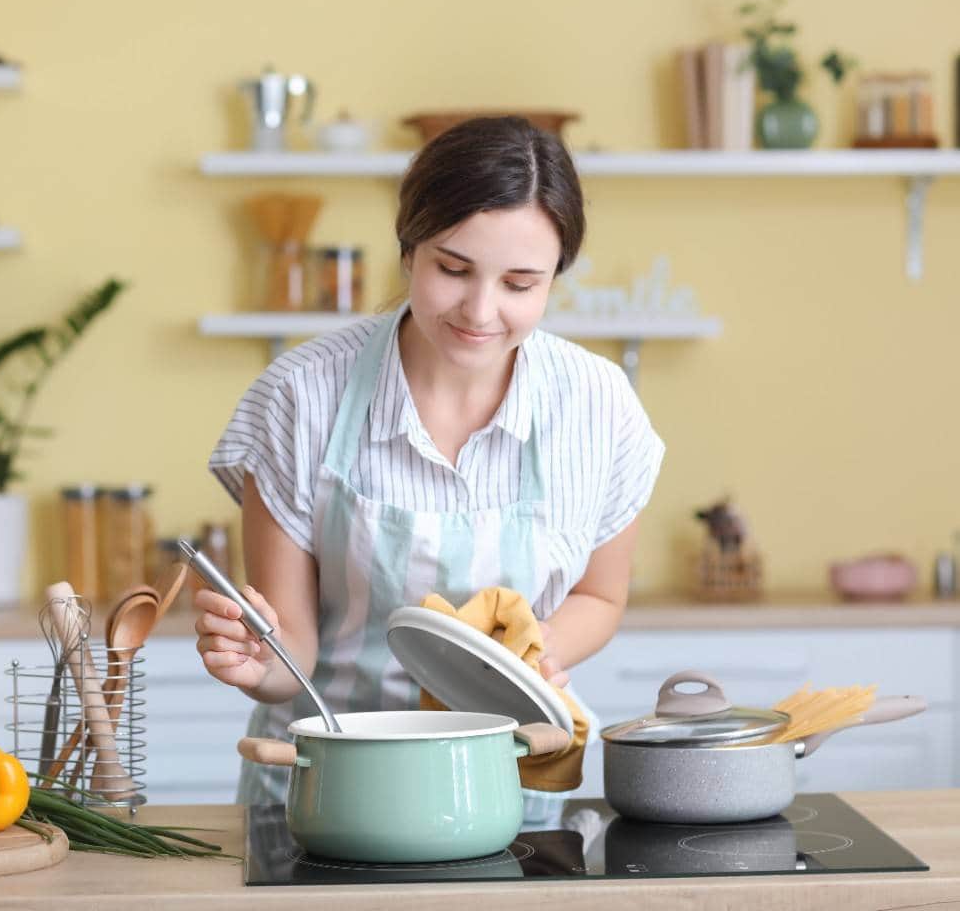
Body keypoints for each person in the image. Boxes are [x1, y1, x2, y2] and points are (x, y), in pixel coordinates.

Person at [199, 116, 666, 817]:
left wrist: (525, 657)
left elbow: (600, 598)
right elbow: (290, 649)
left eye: (520, 284)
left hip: (511, 788)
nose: (481, 310)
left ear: (555, 278)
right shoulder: (301, 396)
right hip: (329, 790)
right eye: (453, 269)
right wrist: (255, 663)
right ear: (408, 248)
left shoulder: (599, 405)